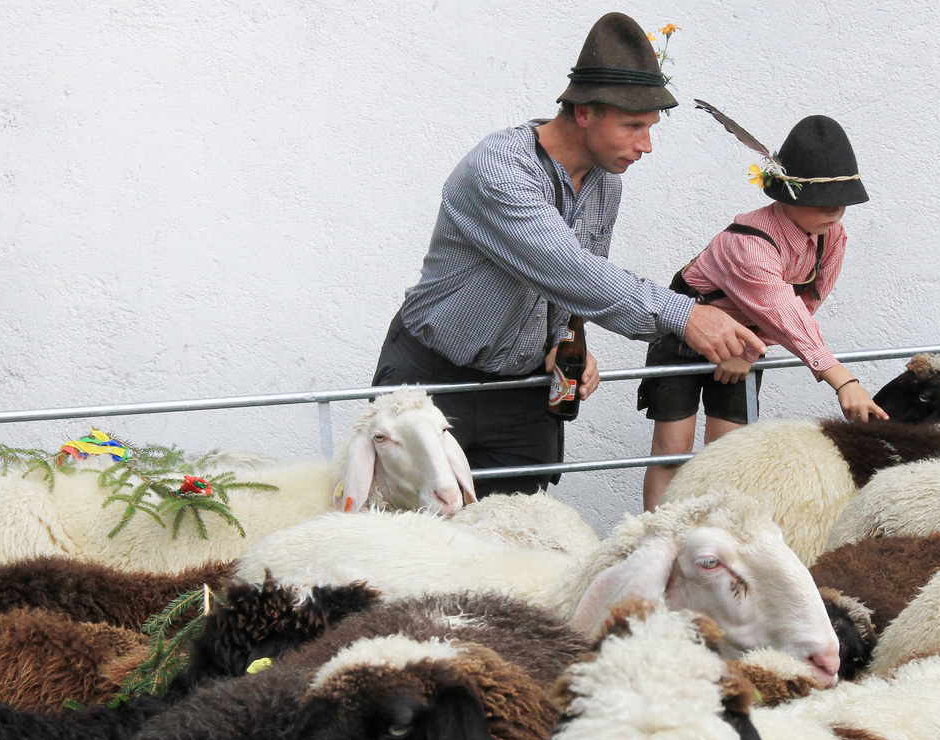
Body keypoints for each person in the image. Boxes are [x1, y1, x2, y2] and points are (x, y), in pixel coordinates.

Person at [372, 12, 764, 496]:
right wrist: (687, 316)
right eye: (633, 125)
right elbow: (568, 268)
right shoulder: (498, 170)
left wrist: (563, 337)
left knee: (513, 548)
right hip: (432, 383)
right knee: (408, 544)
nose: (646, 145)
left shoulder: (605, 183)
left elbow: (573, 288)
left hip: (523, 394)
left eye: (651, 126)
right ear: (585, 112)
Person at [639, 111, 887, 510]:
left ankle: (716, 537)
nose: (835, 211)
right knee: (672, 448)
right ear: (787, 195)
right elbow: (780, 307)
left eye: (843, 201)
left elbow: (804, 305)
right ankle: (655, 531)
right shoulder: (749, 243)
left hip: (745, 340)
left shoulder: (832, 236)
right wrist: (843, 380)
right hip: (687, 331)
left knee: (729, 450)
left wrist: (750, 351)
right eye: (822, 200)